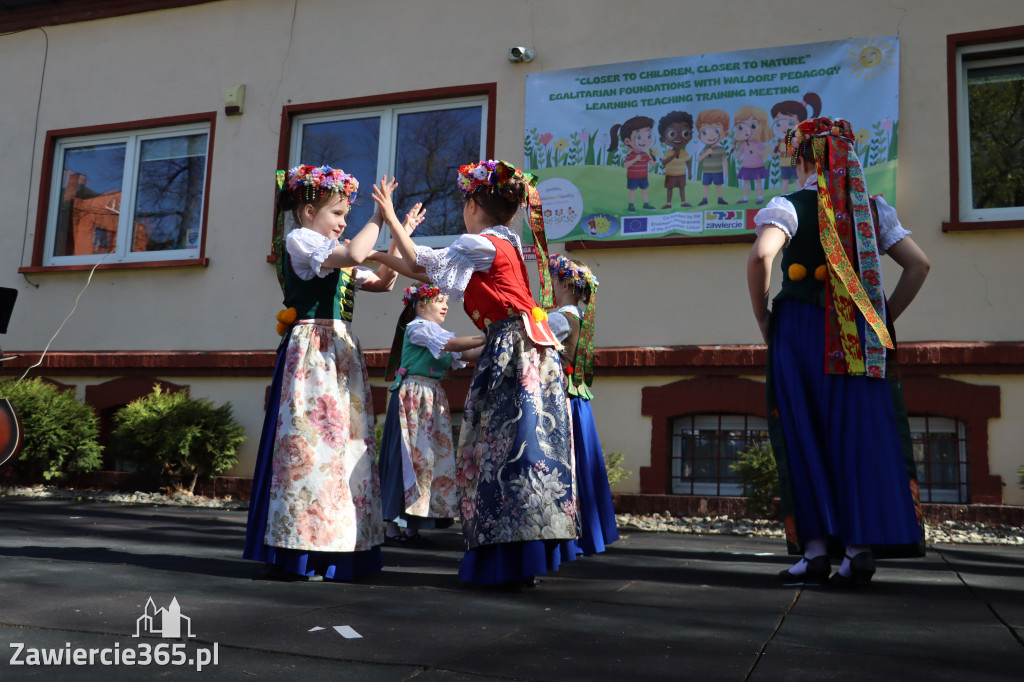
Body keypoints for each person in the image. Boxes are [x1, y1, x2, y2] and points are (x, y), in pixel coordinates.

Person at [367, 161, 580, 588]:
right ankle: (519, 557)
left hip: (512, 350)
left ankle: (508, 559)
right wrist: (376, 254)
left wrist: (389, 218)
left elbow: (420, 263)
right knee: (520, 451)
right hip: (525, 347)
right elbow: (425, 268)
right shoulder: (505, 241)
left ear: (471, 203)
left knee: (502, 451)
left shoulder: (483, 242)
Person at [747, 118, 930, 587]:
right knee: (857, 435)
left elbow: (761, 256)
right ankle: (858, 550)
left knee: (803, 432)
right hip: (859, 337)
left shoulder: (790, 205)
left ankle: (813, 554)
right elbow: (919, 265)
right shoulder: (872, 210)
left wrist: (765, 317)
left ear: (805, 158)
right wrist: (881, 317)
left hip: (802, 330)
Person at [243, 165, 423, 581]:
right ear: (309, 212)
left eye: (346, 216)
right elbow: (357, 254)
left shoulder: (329, 249)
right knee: (311, 448)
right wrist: (379, 218)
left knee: (343, 450)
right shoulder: (302, 241)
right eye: (338, 214)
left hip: (339, 352)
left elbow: (381, 281)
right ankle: (300, 547)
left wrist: (401, 233)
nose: (344, 223)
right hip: (312, 352)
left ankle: (336, 547)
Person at [378, 283, 484, 546]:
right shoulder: (418, 328)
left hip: (432, 397)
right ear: (421, 305)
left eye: (446, 301)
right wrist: (489, 335)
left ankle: (414, 525)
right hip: (413, 396)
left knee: (427, 462)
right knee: (405, 456)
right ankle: (391, 525)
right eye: (439, 301)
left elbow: (466, 352)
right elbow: (452, 344)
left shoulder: (437, 333)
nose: (446, 306)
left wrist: (501, 341)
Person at [546, 254, 619, 556]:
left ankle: (571, 537)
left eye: (551, 280)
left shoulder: (558, 320)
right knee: (583, 466)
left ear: (564, 283)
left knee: (568, 467)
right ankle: (590, 532)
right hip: (580, 399)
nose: (548, 285)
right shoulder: (577, 317)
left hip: (566, 400)